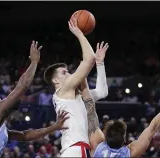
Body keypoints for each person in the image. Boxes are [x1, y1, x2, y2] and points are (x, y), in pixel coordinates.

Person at [0, 41, 69, 157]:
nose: (3, 101)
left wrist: (55, 127)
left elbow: (26, 136)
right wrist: (34, 62)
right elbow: (21, 87)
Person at [43, 17, 109, 157]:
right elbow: (89, 59)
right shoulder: (63, 90)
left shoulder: (74, 96)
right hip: (76, 149)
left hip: (73, 149)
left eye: (68, 71)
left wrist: (100, 64)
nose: (68, 73)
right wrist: (79, 34)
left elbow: (102, 92)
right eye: (64, 72)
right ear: (56, 81)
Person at [82, 79, 160, 157]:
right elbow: (154, 126)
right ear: (124, 138)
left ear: (105, 135)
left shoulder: (97, 144)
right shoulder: (131, 152)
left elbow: (90, 110)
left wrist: (82, 75)